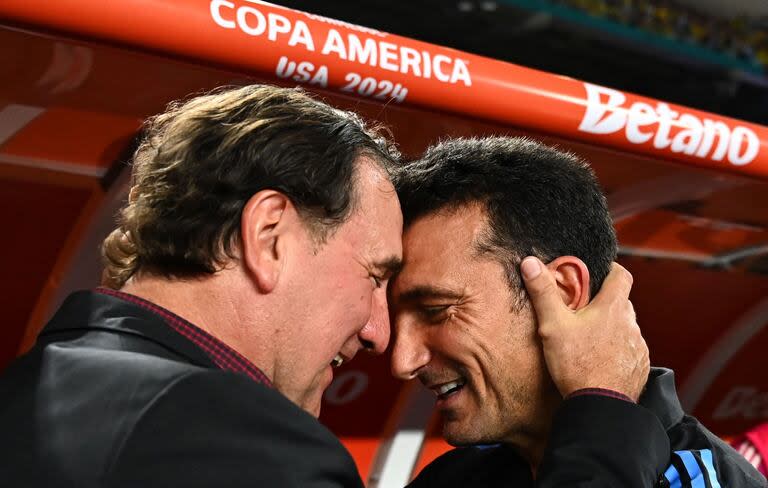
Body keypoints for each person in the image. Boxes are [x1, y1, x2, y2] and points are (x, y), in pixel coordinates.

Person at [0, 85, 678, 487]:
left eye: (433, 306)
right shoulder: (240, 444)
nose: (383, 338)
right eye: (376, 276)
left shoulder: (27, 386)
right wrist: (604, 420)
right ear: (270, 235)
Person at [392, 136, 767, 487]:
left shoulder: (701, 477)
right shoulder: (454, 477)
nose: (402, 360)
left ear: (562, 291)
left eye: (435, 310)